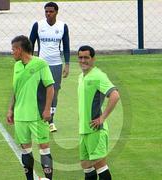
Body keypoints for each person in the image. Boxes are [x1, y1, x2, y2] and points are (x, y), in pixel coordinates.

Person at [7, 35, 54, 180]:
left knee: (44, 148)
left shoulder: (41, 64)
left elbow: (50, 87)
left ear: (20, 50)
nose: (12, 52)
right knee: (26, 150)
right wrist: (10, 109)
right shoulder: (17, 66)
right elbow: (16, 89)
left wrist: (47, 109)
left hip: (37, 115)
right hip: (20, 115)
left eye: (13, 49)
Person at [77, 45, 120, 180]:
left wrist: (103, 117)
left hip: (95, 130)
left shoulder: (98, 76)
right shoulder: (81, 76)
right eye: (80, 57)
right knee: (87, 166)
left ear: (93, 59)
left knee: (100, 167)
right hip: (84, 130)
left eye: (86, 58)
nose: (83, 60)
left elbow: (115, 95)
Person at [29, 1, 70, 132]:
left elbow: (66, 46)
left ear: (56, 12)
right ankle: (42, 118)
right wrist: (30, 62)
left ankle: (51, 120)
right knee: (40, 92)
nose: (48, 14)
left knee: (54, 93)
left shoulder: (63, 26)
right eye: (46, 11)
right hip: (41, 64)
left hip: (56, 64)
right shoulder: (38, 25)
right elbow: (31, 44)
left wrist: (67, 64)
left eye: (51, 11)